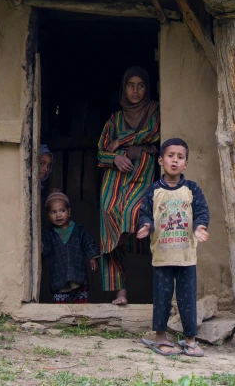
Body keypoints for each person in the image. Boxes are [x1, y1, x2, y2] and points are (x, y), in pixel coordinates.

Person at [137, 137, 209, 357]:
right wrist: (146, 226)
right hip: (162, 256)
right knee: (162, 298)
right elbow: (145, 213)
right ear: (161, 160)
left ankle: (190, 339)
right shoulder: (153, 190)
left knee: (187, 299)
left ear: (186, 164)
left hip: (187, 257)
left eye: (180, 157)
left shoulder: (192, 189)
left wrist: (200, 227)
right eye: (170, 156)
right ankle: (160, 337)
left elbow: (202, 212)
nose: (175, 161)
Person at [98, 66, 160, 305]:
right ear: (124, 88)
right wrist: (114, 158)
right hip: (114, 179)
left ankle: (161, 292)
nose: (135, 91)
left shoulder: (154, 110)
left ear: (147, 87)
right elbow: (101, 152)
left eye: (140, 85)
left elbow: (151, 134)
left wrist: (121, 141)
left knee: (134, 213)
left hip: (141, 175)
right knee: (109, 221)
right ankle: (121, 294)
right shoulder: (114, 119)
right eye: (130, 85)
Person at [41, 191, 100, 303]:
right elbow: (46, 250)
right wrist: (41, 246)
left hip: (79, 276)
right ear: (48, 215)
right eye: (53, 212)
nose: (58, 215)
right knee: (61, 310)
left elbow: (88, 244)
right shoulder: (48, 234)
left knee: (81, 310)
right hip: (59, 278)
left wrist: (93, 258)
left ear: (69, 211)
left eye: (62, 211)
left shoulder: (79, 230)